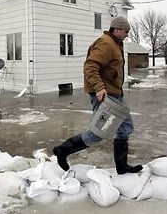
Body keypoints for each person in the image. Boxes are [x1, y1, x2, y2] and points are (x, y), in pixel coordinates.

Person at [52, 16, 143, 175]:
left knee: (125, 128)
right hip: (104, 96)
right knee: (97, 133)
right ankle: (62, 151)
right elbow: (90, 66)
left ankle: (122, 166)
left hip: (114, 96)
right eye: (126, 31)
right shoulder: (106, 44)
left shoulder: (115, 43)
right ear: (117, 29)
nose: (128, 34)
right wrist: (99, 88)